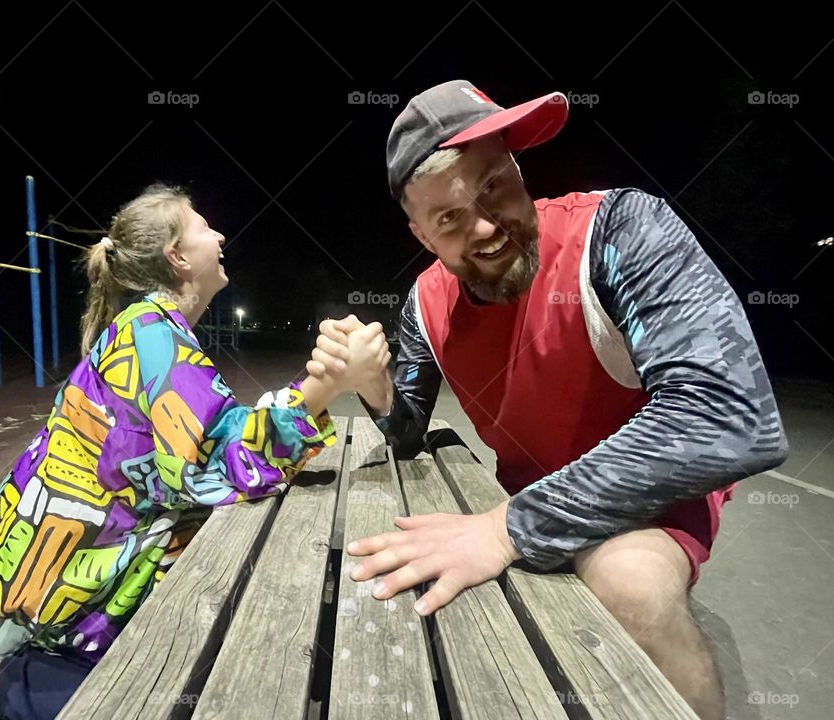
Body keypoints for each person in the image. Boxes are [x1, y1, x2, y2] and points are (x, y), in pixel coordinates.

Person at [308, 80, 789, 720]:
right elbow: (406, 434)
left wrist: (510, 527)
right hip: (524, 492)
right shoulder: (425, 302)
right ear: (421, 235)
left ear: (517, 168)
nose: (484, 227)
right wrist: (371, 384)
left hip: (645, 503)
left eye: (493, 187)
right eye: (449, 218)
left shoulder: (619, 230)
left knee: (630, 587)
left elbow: (729, 415)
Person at [0, 184, 390, 720]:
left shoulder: (150, 328)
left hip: (76, 558)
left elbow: (207, 438)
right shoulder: (154, 336)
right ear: (178, 257)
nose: (219, 235)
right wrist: (326, 383)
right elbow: (217, 462)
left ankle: (1, 669)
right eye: (204, 227)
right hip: (77, 576)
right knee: (150, 700)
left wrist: (335, 382)